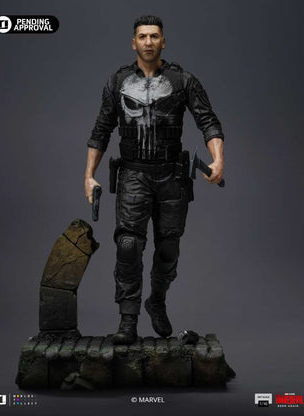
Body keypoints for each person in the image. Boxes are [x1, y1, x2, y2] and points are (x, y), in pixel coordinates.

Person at [84, 15, 224, 344]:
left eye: (154, 36)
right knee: (128, 245)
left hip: (172, 175)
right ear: (133, 42)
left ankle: (156, 300)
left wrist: (218, 159)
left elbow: (208, 120)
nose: (148, 42)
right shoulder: (117, 81)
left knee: (168, 248)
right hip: (133, 173)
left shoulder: (183, 80)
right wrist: (88, 175)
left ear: (163, 41)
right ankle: (128, 319)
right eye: (143, 36)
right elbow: (101, 129)